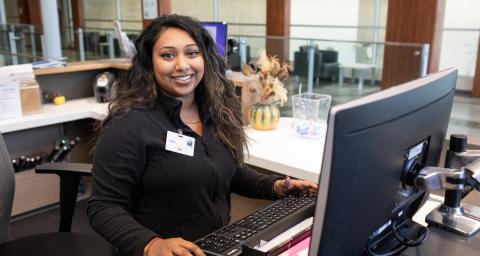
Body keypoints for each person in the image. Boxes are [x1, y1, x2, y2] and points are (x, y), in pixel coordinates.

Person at [87, 14, 318, 256]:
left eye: (191, 53)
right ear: (150, 62)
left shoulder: (217, 111)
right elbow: (103, 206)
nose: (182, 65)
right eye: (167, 55)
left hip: (212, 248)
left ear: (204, 57)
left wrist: (275, 186)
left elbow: (224, 171)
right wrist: (151, 244)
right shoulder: (129, 125)